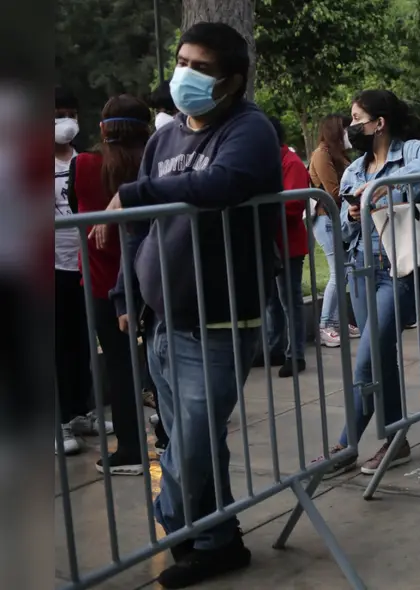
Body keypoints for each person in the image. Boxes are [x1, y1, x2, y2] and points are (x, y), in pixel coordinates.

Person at [105, 22, 283, 587]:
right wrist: (126, 294)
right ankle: (216, 541)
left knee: (192, 444)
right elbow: (140, 229)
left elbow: (225, 183)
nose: (185, 74)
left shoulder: (248, 129)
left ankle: (176, 520)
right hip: (163, 320)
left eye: (200, 67)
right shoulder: (164, 141)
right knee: (193, 443)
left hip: (220, 320)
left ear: (232, 80)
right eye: (182, 62)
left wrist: (135, 191)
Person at [319, 89, 420, 476]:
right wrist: (350, 214)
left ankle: (345, 446)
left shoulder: (409, 152)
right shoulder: (353, 169)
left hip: (398, 270)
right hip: (360, 268)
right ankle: (397, 441)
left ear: (379, 123)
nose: (351, 126)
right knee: (381, 358)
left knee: (367, 361)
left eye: (357, 119)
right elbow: (344, 231)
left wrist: (385, 185)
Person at [69, 95, 151, 474]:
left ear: (103, 128)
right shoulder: (152, 164)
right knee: (156, 361)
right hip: (150, 275)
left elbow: (75, 208)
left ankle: (130, 448)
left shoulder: (85, 164)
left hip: (102, 279)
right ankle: (167, 437)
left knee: (119, 364)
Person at [54, 86, 112, 455]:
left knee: (81, 342)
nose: (66, 121)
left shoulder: (84, 161)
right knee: (55, 345)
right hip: (49, 265)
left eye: (71, 114)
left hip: (82, 263)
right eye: (58, 114)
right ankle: (57, 421)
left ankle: (80, 412)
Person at [259, 116, 310, 378]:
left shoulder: (291, 163)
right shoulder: (265, 162)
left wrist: (261, 211)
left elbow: (293, 205)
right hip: (269, 241)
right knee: (272, 300)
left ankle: (296, 354)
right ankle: (275, 347)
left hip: (288, 243)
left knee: (289, 300)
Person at [308, 114, 360, 347]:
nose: (351, 134)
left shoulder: (337, 154)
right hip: (325, 219)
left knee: (343, 271)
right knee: (338, 271)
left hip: (335, 219)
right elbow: (334, 192)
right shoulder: (322, 154)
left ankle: (337, 322)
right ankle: (325, 325)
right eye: (347, 129)